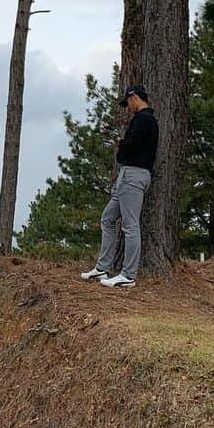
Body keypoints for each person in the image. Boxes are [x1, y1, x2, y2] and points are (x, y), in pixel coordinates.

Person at [80, 84, 158, 289]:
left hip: (133, 174)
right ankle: (103, 267)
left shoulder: (143, 119)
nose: (128, 106)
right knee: (108, 218)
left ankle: (128, 275)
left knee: (130, 225)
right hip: (130, 174)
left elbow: (131, 148)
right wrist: (119, 140)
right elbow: (134, 145)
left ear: (134, 97)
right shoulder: (146, 120)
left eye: (128, 102)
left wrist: (118, 142)